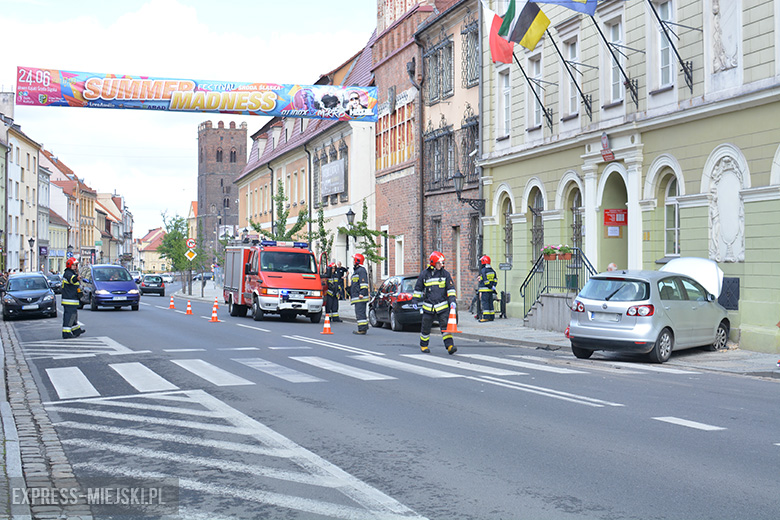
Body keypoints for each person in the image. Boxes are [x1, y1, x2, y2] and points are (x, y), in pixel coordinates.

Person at [412, 251, 457, 355]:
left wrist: (452, 302)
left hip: (442, 306)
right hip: (428, 307)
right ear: (433, 263)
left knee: (445, 327)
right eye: (439, 263)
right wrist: (415, 301)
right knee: (425, 327)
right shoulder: (424, 274)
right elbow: (418, 289)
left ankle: (450, 346)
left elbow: (450, 289)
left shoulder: (445, 274)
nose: (441, 265)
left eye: (442, 263)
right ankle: (424, 345)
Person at [61, 257, 85, 339]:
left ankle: (76, 330)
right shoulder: (68, 273)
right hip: (69, 300)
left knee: (73, 315)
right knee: (69, 316)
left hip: (72, 299)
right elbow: (72, 280)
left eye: (76, 265)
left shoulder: (72, 272)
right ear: (69, 265)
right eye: (73, 265)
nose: (75, 267)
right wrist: (77, 278)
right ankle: (66, 333)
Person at [350, 253, 369, 334]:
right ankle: (363, 328)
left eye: (354, 260)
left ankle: (362, 329)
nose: (353, 261)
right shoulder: (357, 271)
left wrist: (362, 293)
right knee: (360, 313)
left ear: (357, 261)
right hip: (357, 297)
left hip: (360, 297)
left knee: (360, 314)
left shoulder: (361, 270)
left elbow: (364, 283)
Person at [477, 255, 498, 322]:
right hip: (491, 290)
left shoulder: (483, 270)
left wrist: (488, 285)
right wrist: (493, 286)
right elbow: (495, 280)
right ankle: (491, 316)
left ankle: (485, 317)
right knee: (490, 303)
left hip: (484, 290)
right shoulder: (492, 270)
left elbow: (485, 280)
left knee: (485, 303)